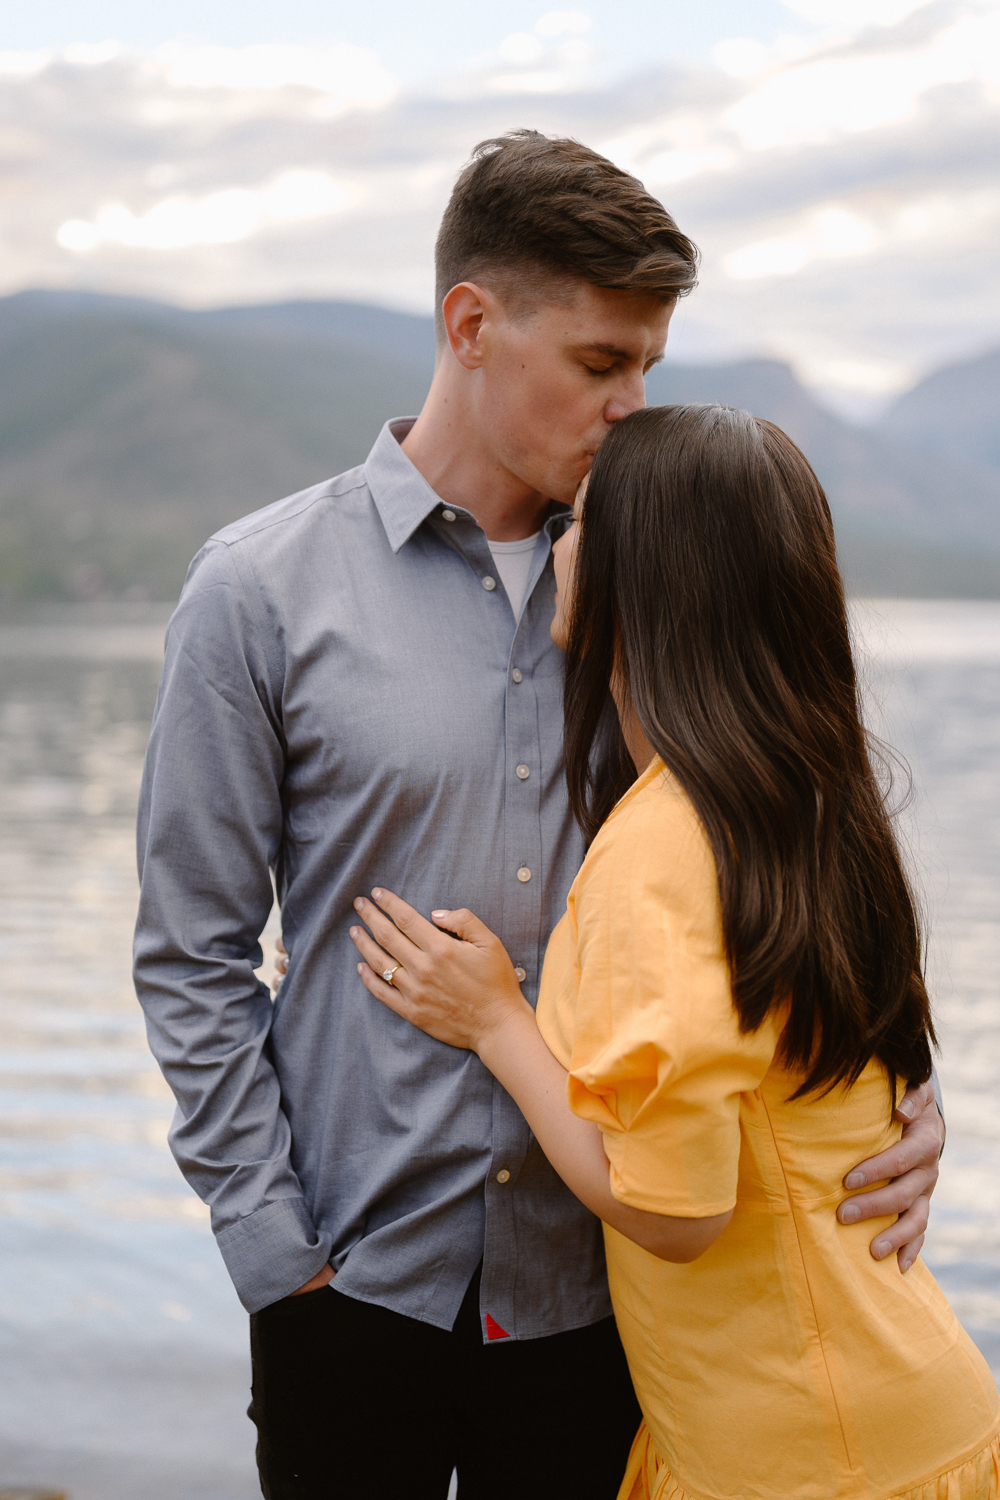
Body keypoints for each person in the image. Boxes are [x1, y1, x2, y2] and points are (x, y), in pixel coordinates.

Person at [133, 132, 944, 1500]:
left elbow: (795, 850)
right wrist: (279, 1257)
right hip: (353, 1295)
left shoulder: (669, 598)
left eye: (649, 369)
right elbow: (192, 953)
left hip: (607, 1305)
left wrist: (895, 1084)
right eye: (600, 363)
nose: (633, 405)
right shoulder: (258, 591)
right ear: (471, 326)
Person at [349, 402, 998, 1500]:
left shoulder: (658, 846)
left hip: (799, 1454)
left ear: (650, 577)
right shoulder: (809, 798)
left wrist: (497, 1021)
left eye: (581, 522)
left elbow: (673, 1208)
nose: (555, 542)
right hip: (888, 1407)